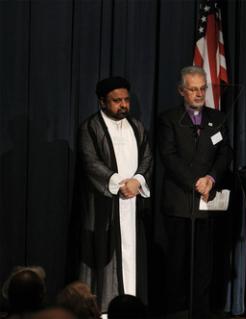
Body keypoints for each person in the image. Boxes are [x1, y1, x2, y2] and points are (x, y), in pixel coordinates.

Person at [158, 66, 232, 318]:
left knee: (204, 264)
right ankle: (175, 311)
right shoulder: (168, 119)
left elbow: (224, 154)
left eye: (203, 88)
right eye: (193, 89)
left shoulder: (218, 118)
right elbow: (169, 156)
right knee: (177, 262)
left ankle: (200, 312)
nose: (199, 94)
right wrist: (196, 182)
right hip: (180, 202)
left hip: (207, 202)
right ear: (181, 91)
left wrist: (211, 179)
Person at [77, 76, 153, 312]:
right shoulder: (90, 127)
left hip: (132, 205)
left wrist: (138, 180)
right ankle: (104, 310)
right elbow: (91, 163)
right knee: (104, 259)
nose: (123, 105)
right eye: (116, 100)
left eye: (126, 100)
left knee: (131, 257)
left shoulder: (137, 127)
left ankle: (131, 308)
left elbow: (147, 158)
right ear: (102, 102)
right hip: (105, 204)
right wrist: (120, 183)